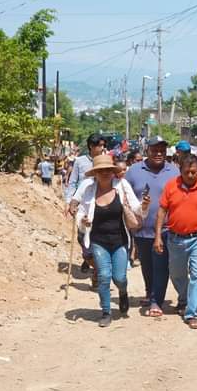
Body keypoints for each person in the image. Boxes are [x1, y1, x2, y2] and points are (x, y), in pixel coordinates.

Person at [74, 154, 144, 327]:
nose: (105, 173)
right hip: (98, 240)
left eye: (108, 170)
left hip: (119, 240)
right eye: (101, 170)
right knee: (104, 276)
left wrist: (145, 206)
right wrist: (83, 220)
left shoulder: (121, 186)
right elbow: (81, 211)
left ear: (113, 172)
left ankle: (122, 292)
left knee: (119, 277)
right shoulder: (89, 190)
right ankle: (106, 311)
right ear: (95, 173)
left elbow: (136, 206)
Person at [154, 155, 197, 329]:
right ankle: (184, 299)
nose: (190, 175)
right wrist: (158, 236)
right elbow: (161, 211)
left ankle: (192, 313)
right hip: (175, 238)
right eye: (186, 172)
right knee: (177, 274)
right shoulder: (171, 186)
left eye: (194, 172)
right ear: (180, 171)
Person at [124, 136, 179, 316]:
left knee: (161, 266)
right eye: (154, 150)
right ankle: (150, 292)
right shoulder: (133, 171)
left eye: (162, 150)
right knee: (147, 266)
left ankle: (156, 301)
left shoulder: (174, 171)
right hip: (141, 229)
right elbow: (125, 196)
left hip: (165, 230)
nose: (158, 153)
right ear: (147, 150)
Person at [65, 133, 106, 274]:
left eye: (103, 145)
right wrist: (69, 202)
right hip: (83, 205)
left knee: (99, 236)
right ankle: (88, 257)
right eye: (99, 145)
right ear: (91, 146)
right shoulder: (80, 161)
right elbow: (73, 182)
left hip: (102, 204)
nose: (102, 148)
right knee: (82, 236)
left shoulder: (106, 160)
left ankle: (97, 269)